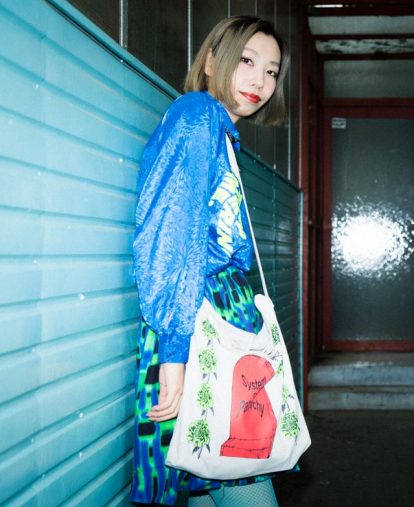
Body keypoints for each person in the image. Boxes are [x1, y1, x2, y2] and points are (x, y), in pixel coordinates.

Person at [132, 15, 289, 507]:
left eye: (271, 71)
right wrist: (175, 354)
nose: (259, 81)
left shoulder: (220, 132)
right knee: (233, 466)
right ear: (211, 62)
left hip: (208, 325)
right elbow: (169, 236)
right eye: (247, 61)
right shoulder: (197, 114)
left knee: (204, 474)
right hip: (197, 326)